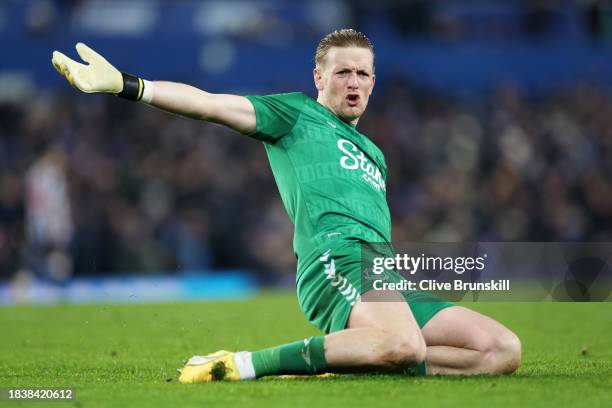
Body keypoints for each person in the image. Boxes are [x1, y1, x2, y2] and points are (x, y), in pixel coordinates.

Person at [51, 29, 521, 381]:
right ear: (319, 76)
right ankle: (238, 365)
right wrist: (130, 86)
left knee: (501, 350)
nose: (353, 82)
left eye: (362, 73)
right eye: (342, 72)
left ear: (374, 81)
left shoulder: (374, 153)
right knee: (403, 343)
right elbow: (211, 104)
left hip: (382, 274)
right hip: (335, 259)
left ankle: (357, 354)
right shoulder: (295, 114)